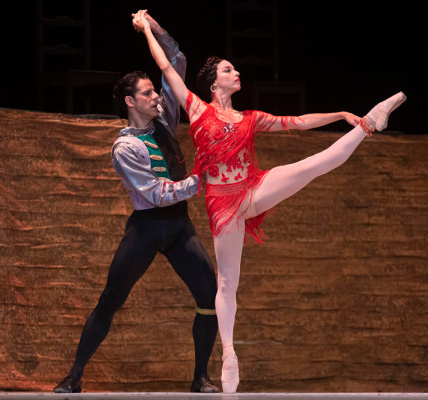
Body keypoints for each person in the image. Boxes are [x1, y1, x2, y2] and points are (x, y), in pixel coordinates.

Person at [134, 10, 406, 393]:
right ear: (214, 82)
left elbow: (295, 121)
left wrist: (341, 114)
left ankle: (369, 123)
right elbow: (165, 64)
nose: (236, 73)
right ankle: (228, 352)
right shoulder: (197, 109)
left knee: (315, 164)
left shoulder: (249, 118)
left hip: (252, 189)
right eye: (229, 70)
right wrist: (147, 27)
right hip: (223, 204)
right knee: (227, 282)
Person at [53, 13, 219, 394]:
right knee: (111, 299)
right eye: (147, 93)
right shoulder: (125, 147)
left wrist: (152, 27)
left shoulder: (166, 116)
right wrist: (201, 180)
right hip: (147, 229)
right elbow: (157, 193)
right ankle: (74, 376)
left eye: (154, 90)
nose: (156, 96)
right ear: (130, 101)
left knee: (209, 297)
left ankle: (200, 377)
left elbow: (176, 60)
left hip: (178, 228)